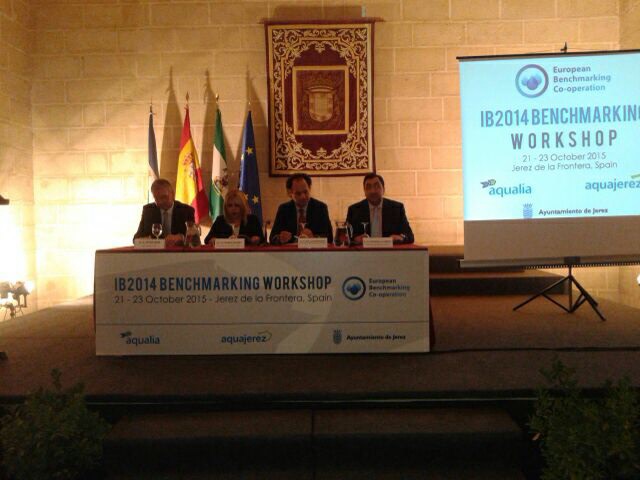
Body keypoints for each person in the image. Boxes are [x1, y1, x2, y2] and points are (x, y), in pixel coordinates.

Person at [346, 173, 414, 244]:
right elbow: (347, 237)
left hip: (390, 250)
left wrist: (401, 237)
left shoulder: (397, 208)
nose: (373, 191)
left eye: (376, 186)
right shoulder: (354, 210)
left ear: (383, 189)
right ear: (364, 191)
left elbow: (409, 236)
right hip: (363, 250)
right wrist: (355, 239)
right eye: (368, 187)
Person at [269, 173, 333, 244]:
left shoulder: (320, 208)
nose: (303, 197)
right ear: (290, 193)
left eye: (305, 192)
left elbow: (329, 238)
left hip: (313, 250)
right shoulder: (284, 209)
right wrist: (280, 238)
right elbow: (272, 238)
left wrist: (314, 238)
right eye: (298, 193)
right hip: (290, 250)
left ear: (309, 188)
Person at [133, 178, 196, 247]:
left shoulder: (186, 210)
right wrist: (146, 240)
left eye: (164, 197)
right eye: (156, 198)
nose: (160, 202)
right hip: (156, 252)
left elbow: (194, 239)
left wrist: (181, 237)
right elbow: (136, 239)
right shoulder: (148, 211)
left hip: (178, 252)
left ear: (173, 194)